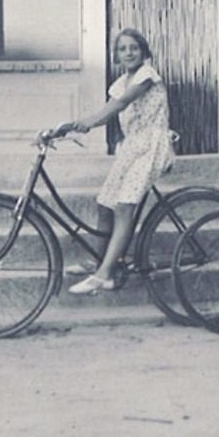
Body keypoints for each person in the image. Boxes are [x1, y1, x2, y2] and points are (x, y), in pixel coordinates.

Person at [64, 28, 175, 294]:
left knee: (124, 206)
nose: (129, 53)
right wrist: (69, 126)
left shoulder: (147, 76)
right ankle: (98, 261)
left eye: (134, 47)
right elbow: (113, 102)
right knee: (105, 204)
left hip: (151, 145)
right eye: (123, 49)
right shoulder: (119, 82)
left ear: (144, 51)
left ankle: (104, 275)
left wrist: (87, 123)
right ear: (116, 55)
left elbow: (121, 104)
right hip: (131, 148)